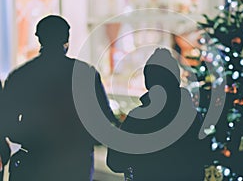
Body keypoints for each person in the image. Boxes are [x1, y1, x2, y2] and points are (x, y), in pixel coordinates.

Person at [1, 15, 118, 181]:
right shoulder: (85, 74)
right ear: (66, 39)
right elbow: (104, 121)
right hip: (76, 164)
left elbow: (6, 124)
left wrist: (34, 139)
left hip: (34, 161)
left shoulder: (20, 75)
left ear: (39, 38)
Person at [107, 48, 206, 181]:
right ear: (176, 79)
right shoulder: (193, 118)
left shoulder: (137, 119)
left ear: (148, 82)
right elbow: (202, 159)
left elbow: (116, 162)